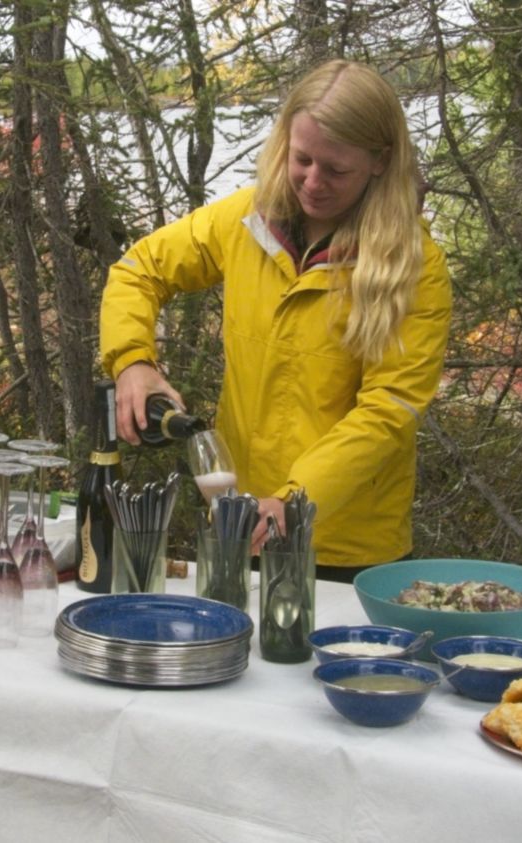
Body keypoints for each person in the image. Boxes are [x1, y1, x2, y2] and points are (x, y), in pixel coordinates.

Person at [98, 59, 452, 581]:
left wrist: (293, 499)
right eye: (301, 158)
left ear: (380, 162)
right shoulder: (246, 220)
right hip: (242, 521)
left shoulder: (414, 266)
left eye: (335, 170)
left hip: (346, 548)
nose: (312, 181)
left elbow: (387, 412)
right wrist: (132, 360)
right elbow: (138, 269)